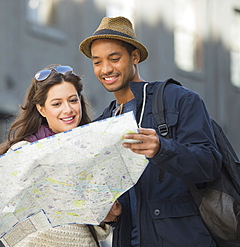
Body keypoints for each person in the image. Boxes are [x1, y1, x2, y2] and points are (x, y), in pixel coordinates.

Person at [78, 16, 222, 247]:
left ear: (134, 56)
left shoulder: (178, 99)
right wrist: (109, 211)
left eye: (114, 58)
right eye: (97, 62)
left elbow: (209, 165)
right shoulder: (103, 124)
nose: (106, 69)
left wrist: (162, 149)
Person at [0, 64, 116, 247]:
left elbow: (97, 229)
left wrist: (108, 215)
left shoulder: (91, 153)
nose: (68, 110)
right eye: (57, 104)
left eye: (73, 100)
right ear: (41, 109)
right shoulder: (22, 152)